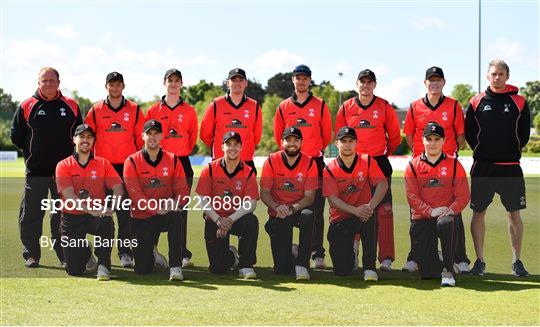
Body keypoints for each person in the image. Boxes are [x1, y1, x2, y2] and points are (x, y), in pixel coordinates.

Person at [10, 67, 82, 268]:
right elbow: (16, 136)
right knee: (31, 214)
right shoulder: (27, 106)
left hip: (64, 174)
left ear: (59, 83)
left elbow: (80, 138)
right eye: (44, 80)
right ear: (38, 83)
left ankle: (64, 256)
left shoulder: (71, 106)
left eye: (52, 80)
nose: (48, 84)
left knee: (62, 216)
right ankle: (31, 255)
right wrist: (35, 153)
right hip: (36, 172)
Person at [465, 59, 531, 277]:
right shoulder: (476, 102)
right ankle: (480, 261)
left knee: (514, 214)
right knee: (478, 212)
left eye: (501, 74)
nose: (497, 77)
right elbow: (469, 133)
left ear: (507, 76)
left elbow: (523, 135)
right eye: (493, 74)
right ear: (487, 76)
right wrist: (485, 152)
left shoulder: (519, 101)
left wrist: (507, 151)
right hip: (483, 167)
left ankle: (517, 262)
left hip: (510, 167)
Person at [402, 66, 470, 274]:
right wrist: (421, 153)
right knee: (418, 210)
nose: (434, 83)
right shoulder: (414, 106)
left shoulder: (454, 105)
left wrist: (448, 154)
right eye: (431, 80)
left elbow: (460, 136)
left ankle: (460, 258)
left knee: (452, 210)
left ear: (443, 83)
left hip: (447, 163)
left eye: (438, 80)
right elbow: (410, 135)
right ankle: (415, 256)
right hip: (422, 164)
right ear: (425, 83)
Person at [334, 69, 401, 271]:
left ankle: (386, 257)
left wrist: (380, 156)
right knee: (356, 207)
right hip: (353, 164)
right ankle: (352, 250)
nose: (366, 85)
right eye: (362, 82)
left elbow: (395, 137)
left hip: (378, 162)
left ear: (374, 84)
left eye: (369, 82)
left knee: (384, 210)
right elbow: (339, 136)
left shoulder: (384, 106)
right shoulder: (346, 107)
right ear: (357, 84)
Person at [274, 64, 332, 269]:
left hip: (313, 162)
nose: (301, 81)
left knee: (315, 210)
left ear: (310, 81)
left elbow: (326, 135)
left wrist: (311, 152)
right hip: (290, 161)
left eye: (305, 78)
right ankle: (289, 248)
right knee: (289, 203)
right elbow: (278, 135)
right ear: (293, 80)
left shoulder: (320, 104)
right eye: (298, 78)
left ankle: (317, 253)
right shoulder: (283, 106)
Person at [85, 72, 144, 268]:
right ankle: (103, 255)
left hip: (127, 168)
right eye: (112, 84)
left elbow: (140, 140)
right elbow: (88, 139)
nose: (115, 87)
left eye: (118, 84)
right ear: (106, 86)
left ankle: (125, 252)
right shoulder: (96, 110)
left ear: (123, 86)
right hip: (103, 168)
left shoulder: (134, 109)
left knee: (125, 213)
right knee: (104, 213)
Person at [404, 122, 470, 286]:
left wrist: (449, 210)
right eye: (429, 139)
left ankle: (448, 270)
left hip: (445, 216)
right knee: (428, 273)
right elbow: (412, 196)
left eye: (437, 139)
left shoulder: (454, 164)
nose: (432, 143)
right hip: (422, 219)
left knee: (446, 222)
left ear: (443, 141)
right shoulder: (413, 166)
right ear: (423, 140)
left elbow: (463, 195)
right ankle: (438, 258)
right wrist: (430, 211)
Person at [55, 124, 124, 280]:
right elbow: (69, 196)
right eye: (82, 136)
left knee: (106, 220)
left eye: (89, 137)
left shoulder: (103, 163)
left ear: (93, 141)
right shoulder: (63, 165)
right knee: (74, 270)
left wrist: (112, 206)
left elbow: (118, 187)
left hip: (96, 217)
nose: (85, 140)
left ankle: (104, 265)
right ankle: (86, 250)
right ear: (74, 139)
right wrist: (91, 209)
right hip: (71, 217)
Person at [123, 120, 190, 280]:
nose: (152, 137)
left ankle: (175, 266)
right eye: (149, 134)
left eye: (156, 133)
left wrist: (176, 203)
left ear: (161, 136)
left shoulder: (173, 159)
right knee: (142, 269)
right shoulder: (131, 161)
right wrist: (156, 208)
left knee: (176, 217)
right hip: (141, 218)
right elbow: (135, 195)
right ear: (142, 136)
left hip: (165, 214)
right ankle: (151, 253)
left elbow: (182, 190)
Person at [146, 68, 198, 268]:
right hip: (158, 163)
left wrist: (179, 151)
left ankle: (182, 254)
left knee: (180, 209)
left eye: (177, 80)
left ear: (181, 84)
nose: (174, 83)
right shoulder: (153, 110)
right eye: (170, 80)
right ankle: (152, 250)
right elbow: (149, 138)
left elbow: (192, 138)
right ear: (164, 83)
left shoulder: (189, 110)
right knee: (155, 207)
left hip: (182, 162)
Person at [323, 127, 388, 280]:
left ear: (356, 143)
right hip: (341, 219)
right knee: (342, 270)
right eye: (343, 141)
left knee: (369, 217)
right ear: (336, 143)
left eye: (351, 141)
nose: (347, 145)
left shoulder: (367, 160)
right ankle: (351, 250)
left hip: (363, 215)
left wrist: (369, 206)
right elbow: (332, 200)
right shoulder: (330, 169)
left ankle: (369, 268)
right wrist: (355, 210)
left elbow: (382, 184)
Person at [195, 132, 259, 279]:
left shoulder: (248, 172)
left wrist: (228, 220)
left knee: (251, 221)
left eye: (236, 144)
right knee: (218, 269)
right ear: (222, 146)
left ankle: (246, 265)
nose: (232, 148)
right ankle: (232, 256)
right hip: (215, 220)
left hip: (236, 219)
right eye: (228, 144)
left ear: (241, 147)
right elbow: (202, 200)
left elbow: (251, 204)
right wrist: (218, 220)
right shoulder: (210, 169)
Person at [261, 127, 317, 280]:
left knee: (308, 215)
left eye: (296, 140)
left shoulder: (310, 162)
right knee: (282, 269)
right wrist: (277, 207)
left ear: (301, 142)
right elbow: (264, 192)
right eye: (288, 140)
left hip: (297, 210)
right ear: (281, 142)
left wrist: (292, 208)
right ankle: (292, 253)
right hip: (279, 213)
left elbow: (309, 197)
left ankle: (302, 264)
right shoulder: (271, 160)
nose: (292, 143)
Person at [200, 68, 262, 170]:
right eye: (234, 80)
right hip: (220, 161)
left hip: (246, 162)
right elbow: (205, 134)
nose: (237, 83)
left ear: (246, 83)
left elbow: (256, 137)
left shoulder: (254, 106)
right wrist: (220, 146)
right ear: (228, 83)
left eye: (241, 80)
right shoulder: (215, 104)